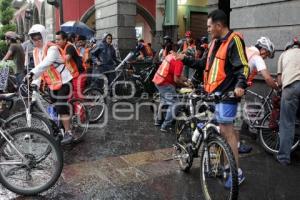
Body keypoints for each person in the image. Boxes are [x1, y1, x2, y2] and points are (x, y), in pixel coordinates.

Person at [176, 9, 249, 188]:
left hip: (228, 96)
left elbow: (243, 67)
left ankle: (235, 172)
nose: (207, 29)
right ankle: (219, 164)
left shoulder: (234, 40)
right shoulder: (215, 43)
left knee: (226, 131)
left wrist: (240, 86)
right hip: (213, 96)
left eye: (209, 26)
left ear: (218, 25)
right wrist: (185, 59)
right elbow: (203, 65)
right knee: (213, 127)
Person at [25, 24, 74, 144]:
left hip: (65, 81)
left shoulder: (52, 48)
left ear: (44, 36)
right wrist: (34, 83)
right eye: (34, 38)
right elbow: (39, 69)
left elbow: (46, 63)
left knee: (61, 106)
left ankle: (69, 132)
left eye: (39, 38)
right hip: (52, 83)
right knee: (54, 107)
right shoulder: (36, 51)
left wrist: (31, 74)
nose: (36, 41)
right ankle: (60, 129)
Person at [235, 36, 279, 154]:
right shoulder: (257, 57)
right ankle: (236, 146)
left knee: (233, 117)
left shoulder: (247, 50)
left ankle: (233, 143)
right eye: (267, 55)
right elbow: (267, 78)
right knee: (237, 119)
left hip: (232, 85)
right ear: (264, 49)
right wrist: (277, 87)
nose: (265, 58)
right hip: (237, 89)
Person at [152, 43, 192, 132]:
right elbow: (176, 80)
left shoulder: (172, 56)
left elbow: (176, 75)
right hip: (165, 83)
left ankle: (158, 121)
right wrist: (186, 86)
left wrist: (187, 79)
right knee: (175, 103)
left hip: (158, 80)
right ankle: (165, 125)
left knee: (164, 101)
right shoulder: (180, 62)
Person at [276, 37, 300, 165]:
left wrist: (280, 87)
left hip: (290, 87)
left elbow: (279, 80)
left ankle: (284, 158)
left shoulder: (284, 54)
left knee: (287, 123)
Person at [55, 31, 85, 99]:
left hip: (78, 73)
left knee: (77, 96)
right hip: (71, 75)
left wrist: (54, 59)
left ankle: (82, 109)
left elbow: (67, 58)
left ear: (65, 40)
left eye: (58, 39)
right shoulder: (60, 48)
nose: (56, 41)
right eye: (56, 39)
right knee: (69, 95)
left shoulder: (69, 47)